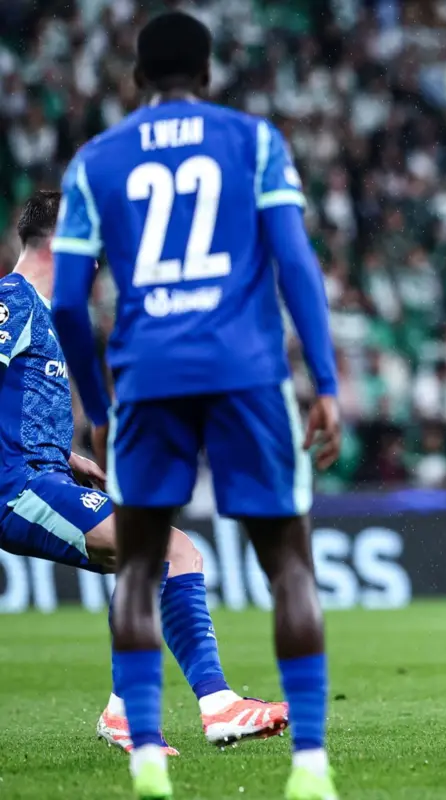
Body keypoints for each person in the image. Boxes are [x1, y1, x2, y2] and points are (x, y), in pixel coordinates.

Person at [50, 12, 341, 800]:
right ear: (208, 75)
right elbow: (295, 263)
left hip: (147, 376)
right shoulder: (253, 141)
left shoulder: (94, 161)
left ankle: (146, 752)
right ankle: (310, 765)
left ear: (136, 80)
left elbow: (71, 303)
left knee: (139, 568)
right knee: (287, 566)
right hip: (247, 372)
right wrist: (326, 382)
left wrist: (100, 404)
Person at [0, 191, 288, 756]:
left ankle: (126, 711)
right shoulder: (13, 301)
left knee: (165, 558)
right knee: (171, 552)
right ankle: (216, 705)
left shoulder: (46, 311)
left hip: (41, 476)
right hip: (18, 488)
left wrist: (62, 456)